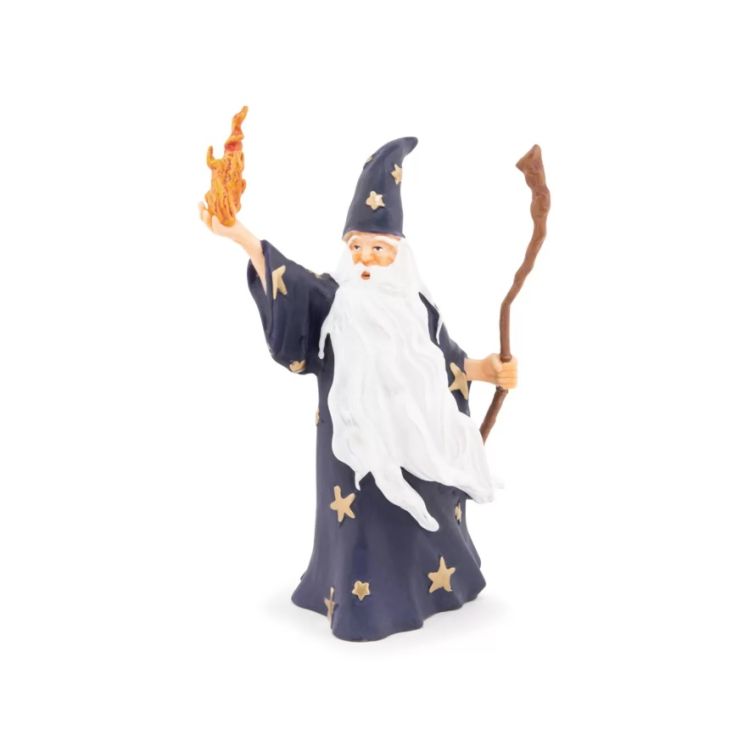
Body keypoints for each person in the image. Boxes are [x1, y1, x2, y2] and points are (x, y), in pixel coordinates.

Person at [198, 136, 517, 641]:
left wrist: (486, 369)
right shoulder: (335, 304)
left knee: (430, 516)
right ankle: (365, 605)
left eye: (378, 249)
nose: (365, 259)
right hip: (357, 461)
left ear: (399, 255)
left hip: (420, 450)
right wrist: (242, 236)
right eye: (357, 248)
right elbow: (290, 283)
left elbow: (448, 360)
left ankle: (439, 586)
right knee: (365, 526)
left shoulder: (417, 310)